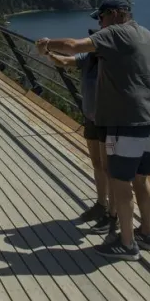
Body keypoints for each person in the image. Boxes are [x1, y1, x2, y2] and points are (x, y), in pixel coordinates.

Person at [37, 0, 150, 261]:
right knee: (142, 180)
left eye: (101, 17)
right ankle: (147, 233)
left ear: (114, 14)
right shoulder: (147, 35)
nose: (100, 23)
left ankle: (125, 244)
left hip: (124, 122)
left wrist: (46, 43)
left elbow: (72, 45)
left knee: (121, 183)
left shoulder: (114, 33)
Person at [47, 29, 110, 226]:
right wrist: (47, 53)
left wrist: (50, 44)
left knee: (108, 167)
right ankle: (101, 203)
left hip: (107, 120)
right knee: (97, 164)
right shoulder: (89, 58)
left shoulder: (112, 61)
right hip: (90, 118)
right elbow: (65, 61)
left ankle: (112, 214)